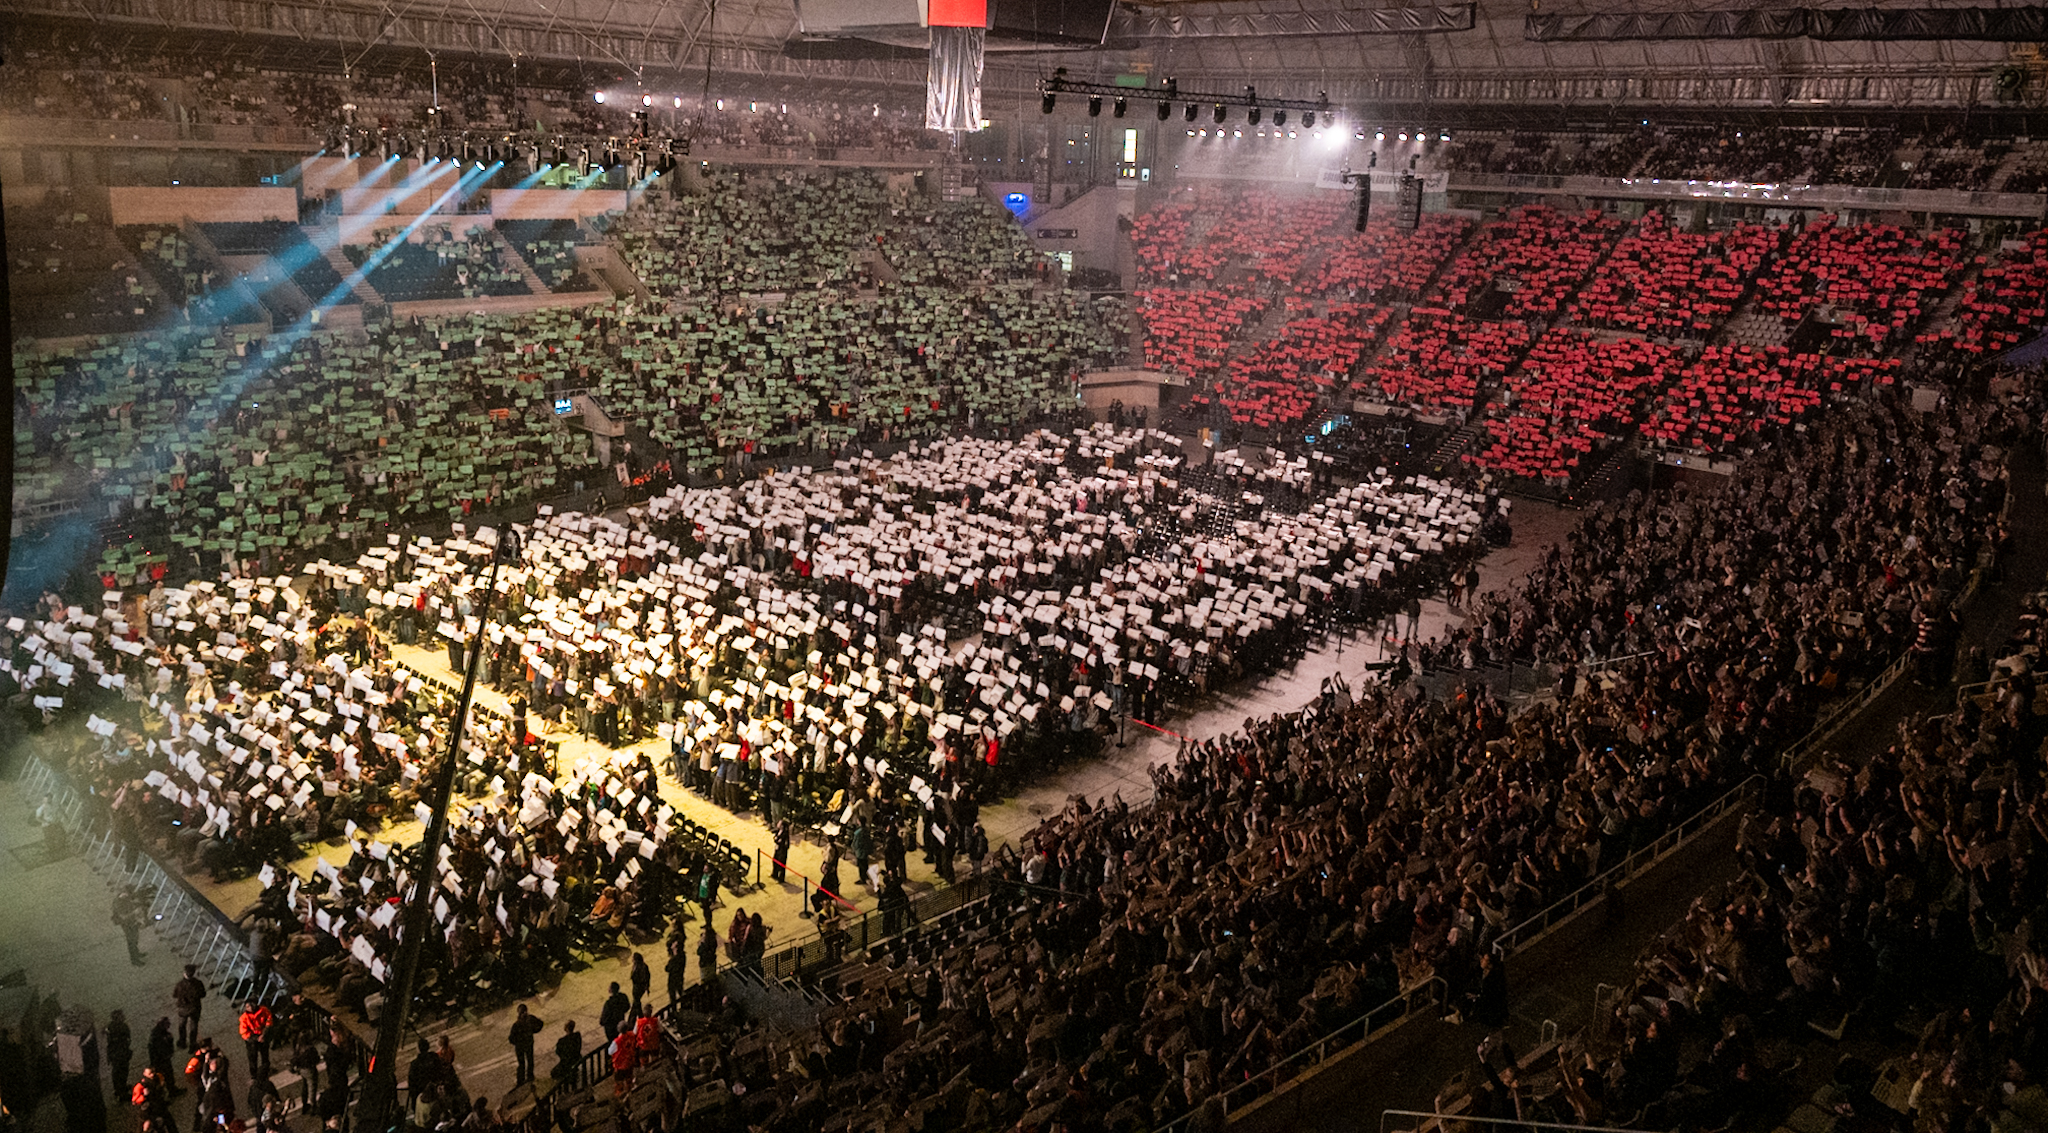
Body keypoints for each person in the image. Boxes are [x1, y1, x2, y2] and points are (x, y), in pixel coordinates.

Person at [508, 1004, 544, 1086]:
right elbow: (540, 1024)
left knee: (521, 1063)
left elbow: (511, 1039)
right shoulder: (530, 1019)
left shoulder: (516, 1025)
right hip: (528, 1044)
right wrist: (534, 1031)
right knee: (530, 1060)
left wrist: (518, 1042)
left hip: (520, 1047)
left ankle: (521, 1080)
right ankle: (530, 1076)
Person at [172, 966, 206, 1050]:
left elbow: (174, 995)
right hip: (195, 1008)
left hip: (183, 1008)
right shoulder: (198, 983)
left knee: (182, 1025)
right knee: (193, 1025)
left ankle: (182, 1041)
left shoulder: (180, 985)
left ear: (185, 973)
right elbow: (203, 994)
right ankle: (192, 1044)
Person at [238, 1000, 274, 1078]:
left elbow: (269, 1019)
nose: (248, 1008)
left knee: (265, 1055)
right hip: (252, 1039)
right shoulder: (244, 1018)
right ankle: (254, 1074)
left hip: (263, 1034)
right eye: (247, 1007)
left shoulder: (263, 1010)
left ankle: (265, 1070)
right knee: (252, 1057)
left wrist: (263, 1034)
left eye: (249, 1006)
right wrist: (257, 1038)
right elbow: (244, 1033)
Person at [114, 889, 147, 966]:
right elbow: (123, 917)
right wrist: (134, 913)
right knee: (131, 942)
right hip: (127, 925)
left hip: (132, 923)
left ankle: (136, 953)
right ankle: (134, 959)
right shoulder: (118, 903)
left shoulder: (125, 899)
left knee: (135, 939)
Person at [148, 1018, 180, 1096]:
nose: (168, 1026)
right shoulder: (158, 1036)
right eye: (167, 1024)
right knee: (167, 1075)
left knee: (167, 1075)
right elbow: (161, 1049)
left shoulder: (159, 1033)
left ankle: (170, 1089)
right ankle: (170, 1091)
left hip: (160, 1059)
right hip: (161, 1060)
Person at [106, 1009, 133, 1091]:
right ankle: (120, 1089)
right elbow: (126, 1039)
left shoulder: (111, 1027)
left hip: (117, 1053)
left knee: (119, 1071)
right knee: (121, 1071)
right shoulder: (120, 1027)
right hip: (120, 1053)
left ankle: (120, 1088)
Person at [551, 1021, 582, 1086]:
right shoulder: (577, 1036)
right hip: (576, 1058)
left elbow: (558, 1052)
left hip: (566, 1061)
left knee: (554, 1073)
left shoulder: (562, 1041)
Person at [663, 940, 689, 1011]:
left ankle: (674, 1010)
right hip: (680, 977)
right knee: (680, 991)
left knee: (673, 996)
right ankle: (684, 1006)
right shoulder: (683, 955)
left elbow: (667, 968)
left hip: (673, 979)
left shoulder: (674, 959)